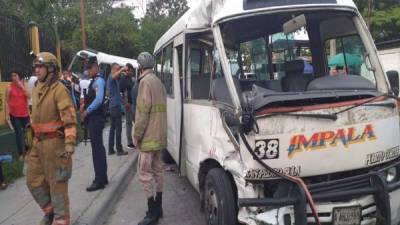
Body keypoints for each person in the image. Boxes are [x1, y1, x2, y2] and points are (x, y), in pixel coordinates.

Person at [26, 52, 77, 225]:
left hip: (55, 146)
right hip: (38, 144)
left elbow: (69, 121)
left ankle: (61, 220)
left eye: (40, 66)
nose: (36, 70)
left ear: (51, 69)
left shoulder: (60, 90)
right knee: (32, 179)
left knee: (57, 186)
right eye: (36, 66)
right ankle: (51, 212)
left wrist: (69, 145)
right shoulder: (36, 88)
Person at [134, 52, 167, 225]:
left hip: (147, 137)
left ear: (140, 66)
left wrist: (136, 135)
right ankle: (158, 208)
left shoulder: (144, 82)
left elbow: (142, 112)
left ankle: (152, 212)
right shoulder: (159, 82)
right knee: (158, 171)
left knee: (144, 173)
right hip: (159, 136)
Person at [80, 56, 109, 192]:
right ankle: (103, 177)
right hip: (95, 119)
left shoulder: (98, 82)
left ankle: (99, 180)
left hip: (95, 119)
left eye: (90, 68)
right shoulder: (95, 81)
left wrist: (87, 111)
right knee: (99, 149)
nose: (88, 71)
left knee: (97, 150)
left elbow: (98, 101)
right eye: (87, 68)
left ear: (96, 67)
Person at [5, 70, 30, 160]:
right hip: (14, 115)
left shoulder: (24, 84)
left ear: (19, 76)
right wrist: (6, 115)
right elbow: (7, 102)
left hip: (25, 114)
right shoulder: (9, 87)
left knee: (28, 133)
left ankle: (29, 151)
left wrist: (21, 87)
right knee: (19, 134)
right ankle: (21, 154)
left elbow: (29, 96)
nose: (13, 78)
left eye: (15, 75)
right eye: (12, 76)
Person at [107, 63, 128, 156]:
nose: (119, 71)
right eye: (117, 69)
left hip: (114, 106)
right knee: (118, 129)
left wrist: (124, 102)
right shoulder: (111, 78)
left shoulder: (115, 80)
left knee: (112, 128)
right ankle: (119, 150)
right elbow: (115, 75)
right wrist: (122, 69)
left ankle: (111, 149)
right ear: (113, 69)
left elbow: (118, 94)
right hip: (115, 107)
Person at [119, 63, 135, 150]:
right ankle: (129, 142)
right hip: (128, 104)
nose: (131, 72)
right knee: (129, 123)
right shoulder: (123, 79)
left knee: (134, 122)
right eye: (130, 70)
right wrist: (125, 102)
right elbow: (120, 92)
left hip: (133, 103)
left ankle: (134, 140)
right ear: (127, 70)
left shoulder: (130, 79)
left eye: (132, 70)